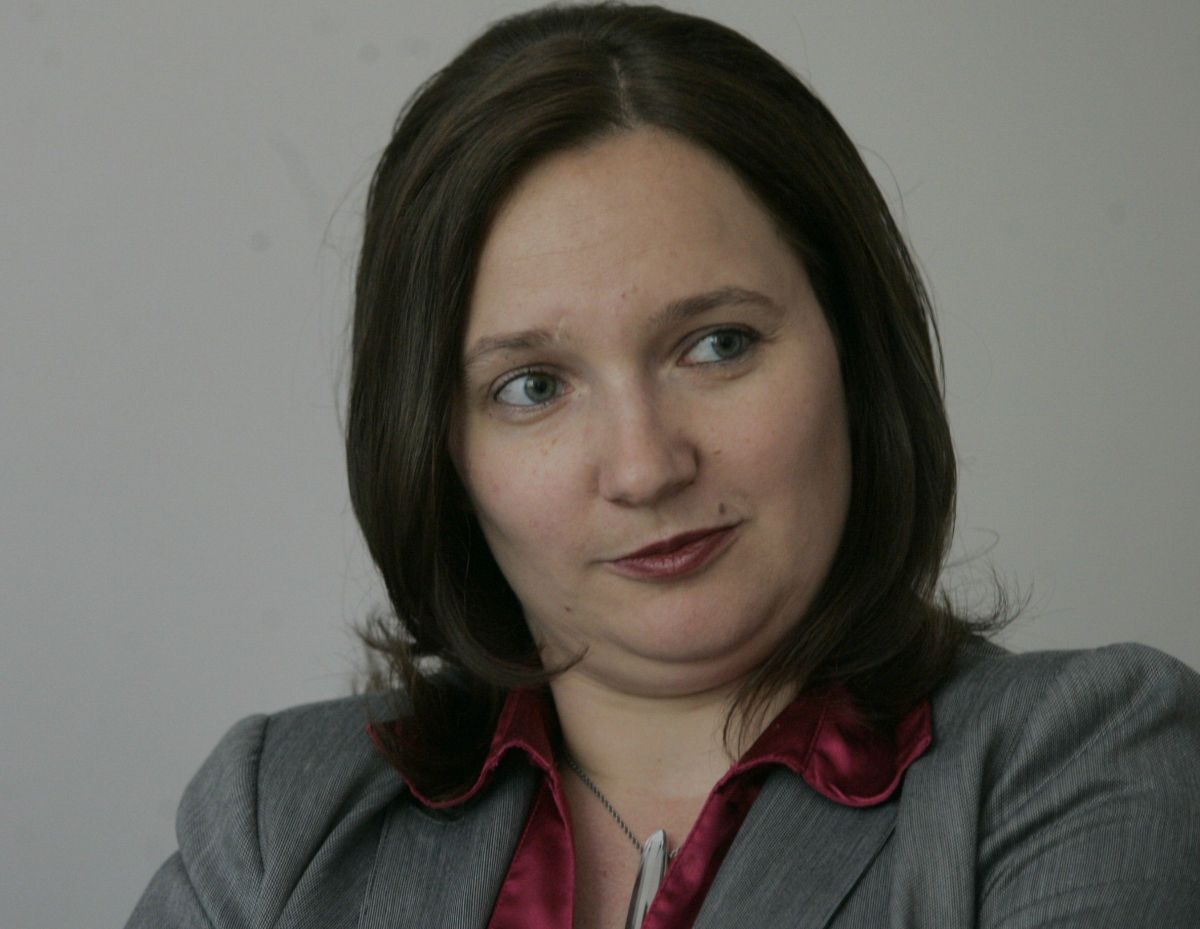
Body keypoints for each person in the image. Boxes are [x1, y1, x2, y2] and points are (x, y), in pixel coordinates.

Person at [126, 3, 1200, 927]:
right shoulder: (275, 816)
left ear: (853, 348)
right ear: (441, 448)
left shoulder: (1081, 756)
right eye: (532, 386)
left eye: (717, 344)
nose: (645, 467)